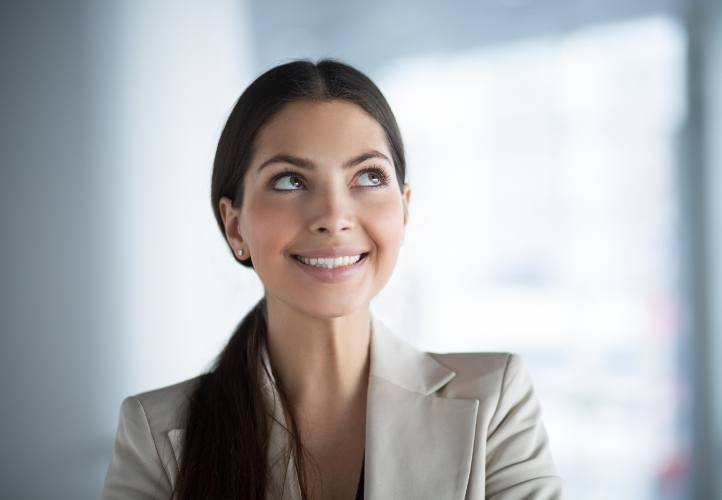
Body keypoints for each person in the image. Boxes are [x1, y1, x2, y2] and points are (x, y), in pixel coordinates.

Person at [101, 58, 562, 500]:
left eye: (367, 176)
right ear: (235, 225)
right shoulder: (156, 432)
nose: (334, 217)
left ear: (404, 209)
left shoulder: (494, 401)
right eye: (289, 181)